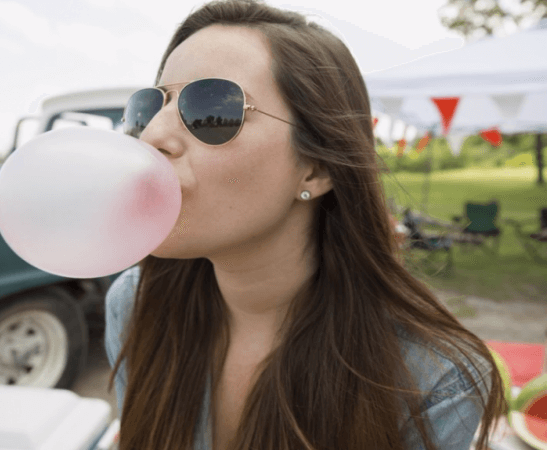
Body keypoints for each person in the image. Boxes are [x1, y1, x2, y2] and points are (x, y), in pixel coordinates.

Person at [105, 1, 505, 449]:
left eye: (210, 108)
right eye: (147, 109)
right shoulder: (133, 304)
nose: (151, 136)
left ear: (315, 168)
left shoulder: (435, 380)